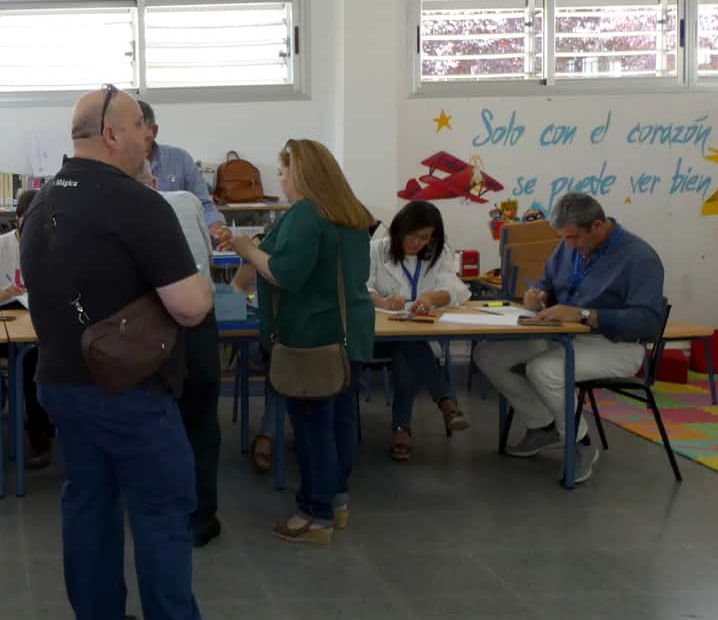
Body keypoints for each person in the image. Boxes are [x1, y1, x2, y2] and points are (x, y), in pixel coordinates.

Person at [21, 85, 253, 620]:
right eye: (140, 128)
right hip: (127, 388)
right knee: (163, 507)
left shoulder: (41, 202)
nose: (151, 137)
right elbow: (193, 304)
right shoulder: (136, 205)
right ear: (112, 135)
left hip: (61, 382)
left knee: (88, 503)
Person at [229, 139, 374, 545]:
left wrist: (248, 249)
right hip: (350, 334)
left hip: (313, 336)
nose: (281, 179)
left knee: (312, 429)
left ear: (301, 174)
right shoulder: (351, 214)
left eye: (283, 172)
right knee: (341, 421)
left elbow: (285, 273)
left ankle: (315, 513)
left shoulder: (306, 214)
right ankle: (337, 501)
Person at [475, 192, 664, 484]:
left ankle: (581, 445)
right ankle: (543, 425)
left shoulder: (640, 257)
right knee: (488, 354)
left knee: (544, 370)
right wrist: (535, 295)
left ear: (599, 225)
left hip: (617, 346)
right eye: (564, 238)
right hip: (564, 337)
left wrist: (586, 315)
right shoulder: (569, 246)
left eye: (574, 238)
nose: (569, 246)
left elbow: (648, 323)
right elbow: (545, 284)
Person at [138, 162, 223, 547]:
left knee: (152, 421)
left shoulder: (122, 213)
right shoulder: (187, 201)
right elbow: (207, 257)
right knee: (202, 422)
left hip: (149, 330)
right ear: (154, 180)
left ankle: (160, 513)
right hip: (199, 324)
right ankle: (201, 517)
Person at [367, 200, 471, 461]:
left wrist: (433, 298)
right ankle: (445, 401)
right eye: (411, 235)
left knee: (408, 350)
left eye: (424, 237)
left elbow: (458, 289)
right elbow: (360, 288)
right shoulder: (376, 250)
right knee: (411, 346)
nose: (416, 243)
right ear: (398, 230)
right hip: (376, 336)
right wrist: (382, 301)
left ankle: (402, 430)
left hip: (414, 334)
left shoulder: (438, 253)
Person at [0, 189, 53, 467]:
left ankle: (51, 422)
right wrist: (4, 296)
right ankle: (38, 431)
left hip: (45, 325)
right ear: (17, 219)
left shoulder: (57, 244)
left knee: (48, 352)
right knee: (31, 358)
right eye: (28, 221)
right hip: (6, 327)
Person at [137, 99, 230, 244]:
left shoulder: (180, 159)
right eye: (131, 141)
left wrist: (218, 229)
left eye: (144, 139)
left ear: (154, 131)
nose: (138, 147)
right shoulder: (112, 165)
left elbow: (204, 205)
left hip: (180, 245)